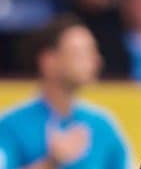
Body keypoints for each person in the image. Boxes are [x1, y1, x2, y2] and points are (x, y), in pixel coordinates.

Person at [0, 15, 130, 169]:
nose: (95, 60)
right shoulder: (11, 125)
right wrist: (50, 163)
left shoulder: (103, 126)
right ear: (48, 60)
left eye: (93, 51)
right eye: (80, 53)